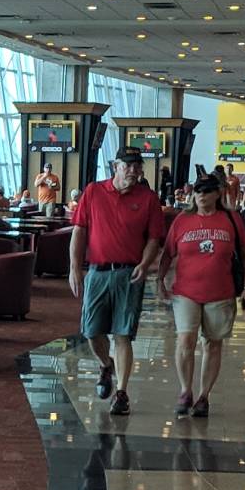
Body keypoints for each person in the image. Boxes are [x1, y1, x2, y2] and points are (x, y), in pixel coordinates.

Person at [69, 148, 168, 417]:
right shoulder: (93, 192)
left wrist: (145, 264)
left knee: (123, 334)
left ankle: (122, 393)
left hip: (129, 274)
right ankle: (105, 364)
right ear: (116, 166)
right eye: (129, 166)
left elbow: (154, 239)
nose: (134, 171)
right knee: (92, 331)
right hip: (98, 273)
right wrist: (74, 268)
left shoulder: (148, 199)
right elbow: (79, 231)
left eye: (138, 167)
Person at [161, 170, 245, 420]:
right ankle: (185, 390)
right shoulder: (182, 221)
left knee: (212, 343)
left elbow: (244, 254)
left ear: (217, 193)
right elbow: (168, 252)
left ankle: (203, 395)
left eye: (206, 191)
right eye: (197, 191)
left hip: (220, 291)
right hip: (186, 291)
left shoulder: (230, 220)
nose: (200, 195)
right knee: (185, 340)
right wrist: (159, 280)